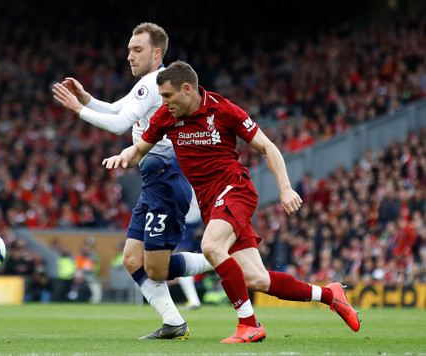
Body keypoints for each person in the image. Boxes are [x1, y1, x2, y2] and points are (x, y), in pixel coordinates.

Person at [102, 60, 361, 343]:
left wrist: (285, 189)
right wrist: (124, 156)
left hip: (234, 187)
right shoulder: (166, 116)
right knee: (257, 279)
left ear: (187, 89)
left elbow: (267, 147)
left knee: (211, 246)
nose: (163, 102)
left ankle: (249, 324)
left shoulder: (223, 109)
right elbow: (139, 148)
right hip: (209, 201)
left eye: (167, 95)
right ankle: (329, 294)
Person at [52, 23, 212, 339]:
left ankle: (219, 258)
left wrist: (79, 110)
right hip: (155, 183)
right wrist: (87, 99)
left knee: (156, 268)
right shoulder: (153, 83)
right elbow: (115, 109)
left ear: (156, 53)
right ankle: (173, 322)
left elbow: (119, 124)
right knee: (131, 259)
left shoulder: (153, 83)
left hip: (166, 182)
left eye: (136, 49)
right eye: (128, 49)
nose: (129, 56)